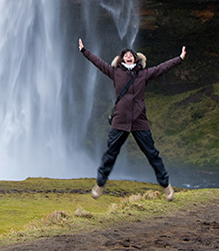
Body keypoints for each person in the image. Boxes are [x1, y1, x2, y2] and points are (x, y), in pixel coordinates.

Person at [78, 38, 186, 201]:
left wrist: (179, 59)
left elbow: (162, 68)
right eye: (125, 55)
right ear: (121, 59)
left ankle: (166, 187)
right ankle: (99, 185)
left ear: (136, 59)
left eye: (131, 55)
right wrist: (84, 51)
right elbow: (99, 63)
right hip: (120, 120)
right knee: (110, 154)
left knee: (152, 154)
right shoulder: (115, 73)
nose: (128, 56)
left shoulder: (143, 75)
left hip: (139, 121)